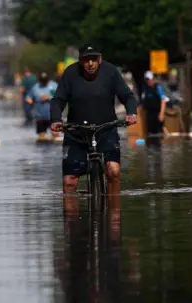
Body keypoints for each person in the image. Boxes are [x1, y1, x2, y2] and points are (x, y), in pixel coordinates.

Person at [50, 44, 138, 198]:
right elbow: (58, 100)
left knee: (113, 171)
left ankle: (114, 214)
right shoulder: (70, 73)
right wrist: (56, 120)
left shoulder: (111, 72)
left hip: (106, 130)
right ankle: (70, 221)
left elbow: (127, 96)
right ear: (80, 61)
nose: (90, 64)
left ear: (100, 59)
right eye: (86, 60)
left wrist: (131, 113)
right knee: (69, 181)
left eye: (94, 59)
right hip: (76, 133)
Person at [26, 72, 59, 141]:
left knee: (55, 135)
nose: (44, 82)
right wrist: (31, 101)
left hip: (53, 115)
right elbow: (28, 98)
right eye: (42, 81)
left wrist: (49, 98)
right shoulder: (35, 87)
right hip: (40, 116)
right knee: (42, 138)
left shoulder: (54, 85)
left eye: (45, 80)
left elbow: (60, 97)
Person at [140, 71, 169, 138]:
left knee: (159, 135)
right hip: (149, 114)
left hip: (157, 113)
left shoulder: (158, 87)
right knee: (150, 134)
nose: (148, 81)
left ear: (153, 79)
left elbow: (163, 101)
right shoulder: (146, 89)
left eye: (149, 79)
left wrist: (161, 114)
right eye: (147, 80)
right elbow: (142, 102)